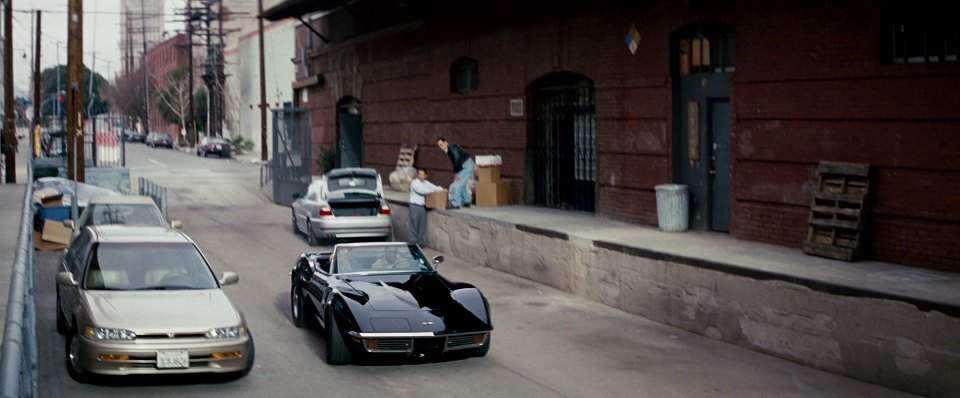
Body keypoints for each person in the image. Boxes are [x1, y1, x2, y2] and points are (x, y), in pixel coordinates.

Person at [436, 137, 475, 208]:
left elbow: (457, 159)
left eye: (441, 144)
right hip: (466, 165)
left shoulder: (451, 148)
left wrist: (457, 173)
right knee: (461, 184)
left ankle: (455, 203)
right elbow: (456, 161)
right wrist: (457, 172)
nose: (440, 147)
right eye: (439, 146)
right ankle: (466, 201)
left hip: (465, 166)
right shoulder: (450, 149)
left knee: (456, 185)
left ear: (446, 142)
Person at [409, 169, 443, 245]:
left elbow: (435, 187)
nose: (421, 176)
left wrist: (440, 189)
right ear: (417, 175)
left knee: (422, 225)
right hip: (414, 206)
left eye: (422, 174)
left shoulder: (426, 183)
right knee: (414, 225)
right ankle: (413, 242)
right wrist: (433, 190)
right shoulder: (414, 183)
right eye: (419, 174)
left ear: (426, 176)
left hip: (422, 207)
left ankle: (420, 243)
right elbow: (422, 191)